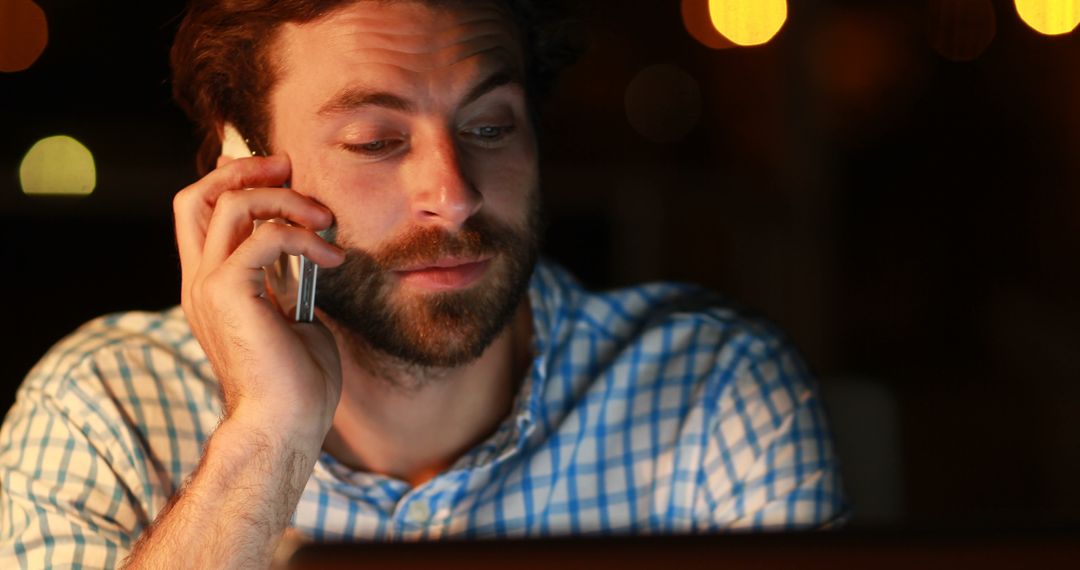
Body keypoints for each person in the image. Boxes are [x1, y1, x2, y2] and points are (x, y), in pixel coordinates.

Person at [0, 0, 847, 567]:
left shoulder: (711, 391)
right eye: (374, 140)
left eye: (488, 125)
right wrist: (267, 439)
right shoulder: (101, 410)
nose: (453, 192)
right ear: (244, 168)